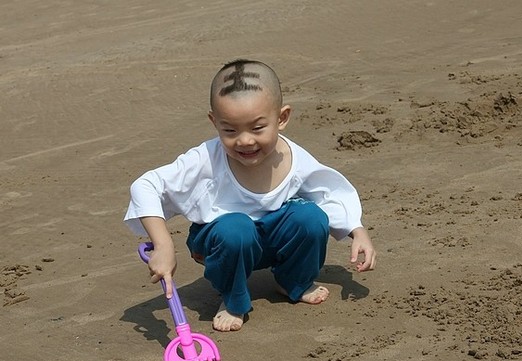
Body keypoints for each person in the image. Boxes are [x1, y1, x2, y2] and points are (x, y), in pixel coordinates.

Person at [124, 59, 376, 332]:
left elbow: (328, 191)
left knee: (311, 217)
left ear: (281, 118)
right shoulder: (206, 159)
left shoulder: (294, 158)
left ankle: (294, 280)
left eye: (257, 128)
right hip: (222, 241)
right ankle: (233, 300)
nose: (244, 140)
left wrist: (356, 230)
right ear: (214, 121)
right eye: (230, 130)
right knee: (237, 229)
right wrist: (163, 245)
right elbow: (146, 185)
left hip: (272, 239)